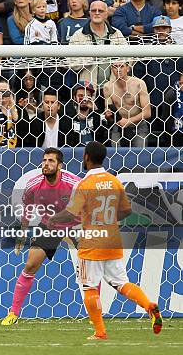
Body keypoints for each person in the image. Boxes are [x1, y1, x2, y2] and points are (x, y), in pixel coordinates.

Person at [49, 141, 163, 340]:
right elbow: (127, 210)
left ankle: (100, 332)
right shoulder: (114, 181)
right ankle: (148, 305)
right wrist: (108, 220)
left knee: (89, 287)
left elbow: (70, 213)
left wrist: (52, 219)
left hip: (91, 243)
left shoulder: (84, 184)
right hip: (112, 240)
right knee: (122, 283)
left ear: (86, 157)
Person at [1, 148, 80, 325]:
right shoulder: (33, 185)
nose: (46, 164)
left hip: (75, 223)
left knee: (88, 268)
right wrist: (21, 236)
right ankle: (13, 313)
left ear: (60, 165)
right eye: (44, 160)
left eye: (51, 161)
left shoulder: (74, 183)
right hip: (49, 225)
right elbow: (27, 208)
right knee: (30, 265)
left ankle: (94, 314)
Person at [69, 0, 127, 89]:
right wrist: (92, 57)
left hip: (114, 89)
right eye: (93, 10)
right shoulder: (78, 35)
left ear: (106, 14)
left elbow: (128, 59)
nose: (96, 13)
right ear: (89, 14)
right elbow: (71, 63)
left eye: (100, 11)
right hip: (88, 90)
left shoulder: (116, 34)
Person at [103, 61, 151, 147]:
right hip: (118, 126)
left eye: (121, 66)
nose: (118, 69)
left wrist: (129, 121)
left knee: (139, 156)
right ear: (111, 69)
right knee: (116, 155)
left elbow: (147, 113)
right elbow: (109, 113)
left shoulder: (139, 84)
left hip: (138, 126)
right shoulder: (108, 87)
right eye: (115, 67)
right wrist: (108, 115)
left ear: (128, 68)